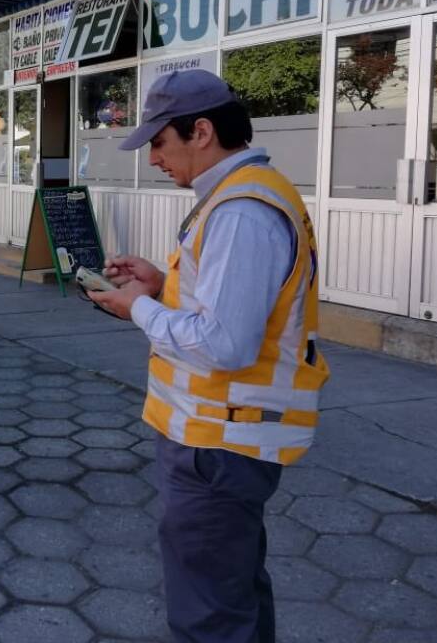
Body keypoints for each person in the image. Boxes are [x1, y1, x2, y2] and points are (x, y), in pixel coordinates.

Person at [87, 70, 329, 643]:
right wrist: (157, 285)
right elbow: (220, 306)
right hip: (222, 440)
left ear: (200, 131)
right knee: (232, 590)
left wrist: (137, 310)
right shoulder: (238, 195)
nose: (153, 159)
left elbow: (225, 343)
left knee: (210, 613)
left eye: (158, 142)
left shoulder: (240, 211)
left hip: (218, 444)